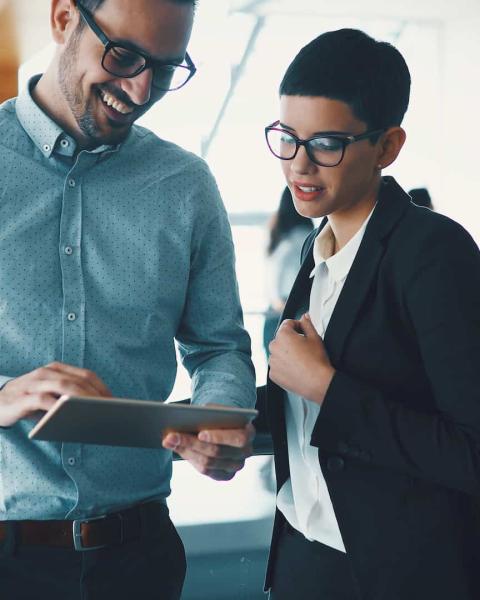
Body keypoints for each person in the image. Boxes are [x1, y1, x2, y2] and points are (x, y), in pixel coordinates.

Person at [0, 1, 256, 598]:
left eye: (164, 69)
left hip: (140, 559)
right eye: (124, 56)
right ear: (64, 18)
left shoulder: (185, 185)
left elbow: (219, 347)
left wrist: (219, 418)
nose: (140, 88)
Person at [264, 28, 480, 600]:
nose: (299, 165)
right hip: (303, 560)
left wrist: (326, 387)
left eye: (326, 144)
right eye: (287, 137)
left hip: (392, 576)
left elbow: (471, 451)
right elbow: (305, 419)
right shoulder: (317, 250)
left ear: (386, 147)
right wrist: (222, 426)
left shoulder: (434, 253)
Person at [263, 186, 313, 356]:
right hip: (289, 312)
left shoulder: (283, 240)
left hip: (277, 312)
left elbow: (274, 278)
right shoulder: (306, 237)